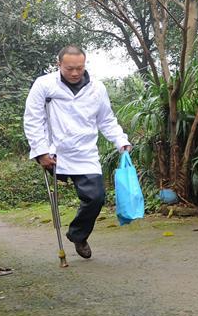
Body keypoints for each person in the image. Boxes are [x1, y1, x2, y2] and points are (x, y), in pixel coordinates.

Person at [23, 45, 131, 259]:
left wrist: (121, 141)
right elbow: (33, 119)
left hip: (85, 153)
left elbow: (106, 120)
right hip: (55, 151)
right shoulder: (44, 85)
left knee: (96, 198)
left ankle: (78, 235)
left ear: (85, 65)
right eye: (69, 68)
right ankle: (77, 235)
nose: (74, 73)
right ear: (59, 64)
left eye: (79, 68)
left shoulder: (97, 88)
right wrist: (41, 151)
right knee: (84, 196)